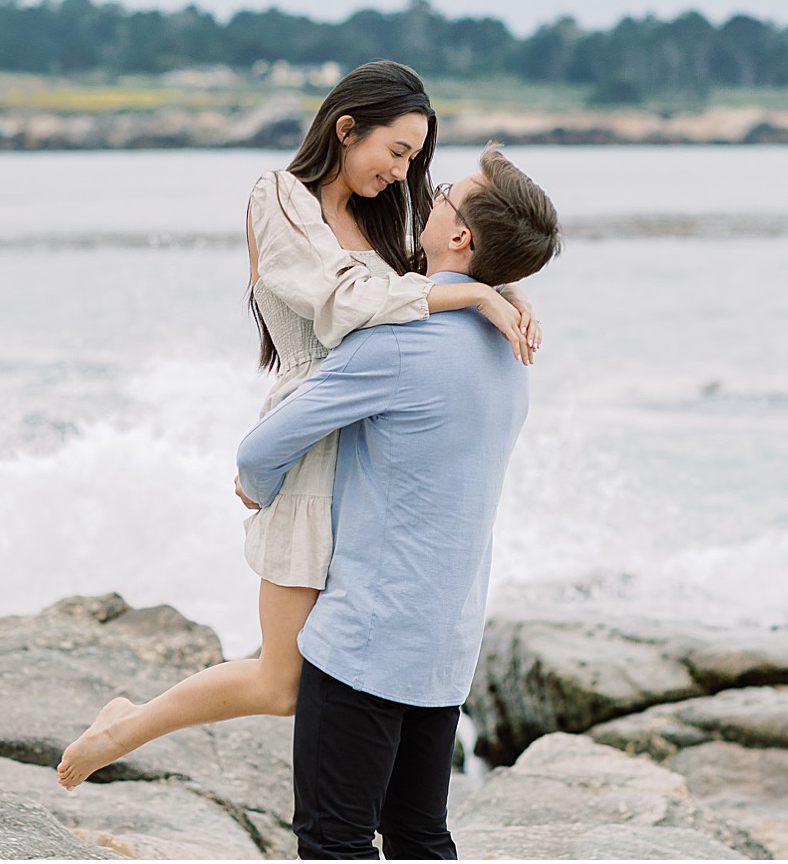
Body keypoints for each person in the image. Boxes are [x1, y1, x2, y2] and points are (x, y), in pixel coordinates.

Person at [57, 61, 539, 789]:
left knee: (334, 669)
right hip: (309, 445)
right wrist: (475, 296)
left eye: (415, 159)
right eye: (397, 152)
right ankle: (123, 726)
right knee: (283, 683)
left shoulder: (384, 219)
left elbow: (424, 284)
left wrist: (501, 289)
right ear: (347, 127)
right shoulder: (279, 197)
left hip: (368, 461)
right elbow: (344, 300)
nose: (404, 172)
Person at [234, 143, 562, 859]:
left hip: (364, 642)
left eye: (443, 190)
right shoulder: (509, 349)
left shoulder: (398, 345)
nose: (429, 195)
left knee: (335, 840)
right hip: (445, 644)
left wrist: (258, 490)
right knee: (420, 834)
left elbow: (258, 452)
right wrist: (498, 290)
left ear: (460, 237)